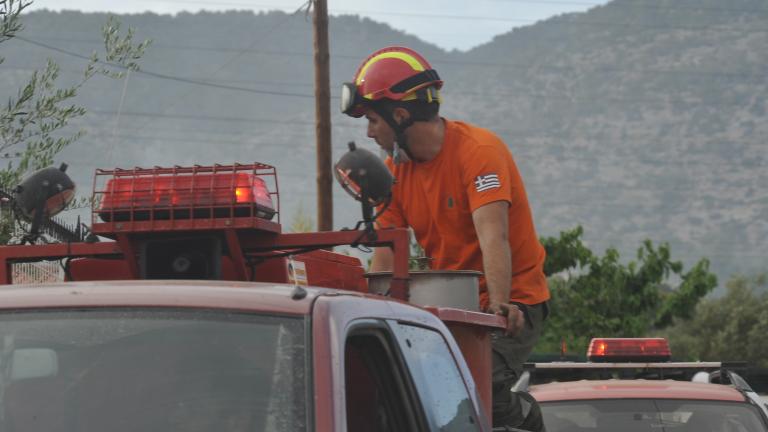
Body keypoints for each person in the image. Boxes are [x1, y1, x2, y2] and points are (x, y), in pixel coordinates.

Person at [340, 46, 550, 431]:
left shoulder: (478, 152)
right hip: (455, 304)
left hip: (516, 298)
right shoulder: (394, 173)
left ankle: (527, 418)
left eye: (372, 119)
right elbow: (387, 252)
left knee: (481, 384)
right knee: (409, 390)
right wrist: (369, 312)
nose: (369, 132)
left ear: (400, 115)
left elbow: (493, 236)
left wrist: (502, 306)